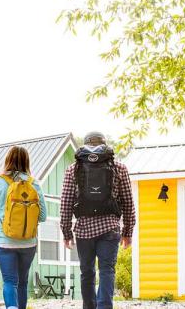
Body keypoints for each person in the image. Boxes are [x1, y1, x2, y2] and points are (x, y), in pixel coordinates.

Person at [60, 131, 135, 309]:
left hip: (84, 230)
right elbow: (128, 202)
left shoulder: (73, 169)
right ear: (104, 144)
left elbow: (66, 202)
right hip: (110, 228)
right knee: (107, 270)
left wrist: (66, 232)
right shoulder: (119, 168)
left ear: (85, 145)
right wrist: (128, 232)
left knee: (87, 272)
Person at [0, 146, 47, 309]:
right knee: (23, 282)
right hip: (28, 243)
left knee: (10, 281)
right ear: (27, 161)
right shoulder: (34, 184)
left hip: (4, 242)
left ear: (7, 160)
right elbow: (43, 216)